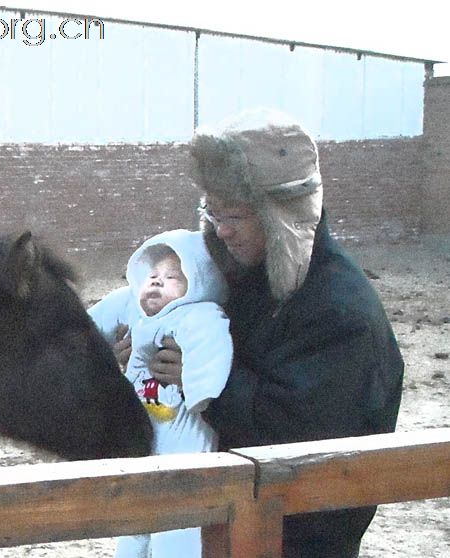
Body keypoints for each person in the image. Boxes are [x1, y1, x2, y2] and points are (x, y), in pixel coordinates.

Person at [115, 109, 405, 558]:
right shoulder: (249, 280)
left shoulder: (340, 312)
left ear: (282, 215)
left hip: (298, 538)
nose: (222, 230)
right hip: (234, 523)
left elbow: (303, 437)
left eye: (236, 215)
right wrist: (150, 341)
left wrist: (207, 378)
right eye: (212, 212)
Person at [89, 228, 233, 558]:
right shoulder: (131, 306)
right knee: (134, 521)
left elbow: (211, 347)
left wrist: (199, 387)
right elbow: (91, 325)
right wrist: (101, 351)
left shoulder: (198, 314)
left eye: (171, 277)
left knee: (177, 524)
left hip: (183, 436)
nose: (156, 281)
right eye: (152, 275)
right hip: (140, 435)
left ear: (197, 283)